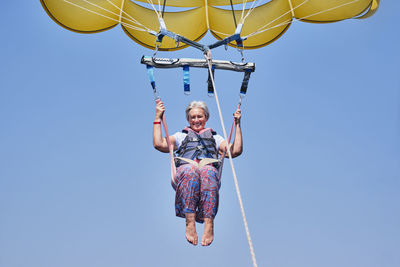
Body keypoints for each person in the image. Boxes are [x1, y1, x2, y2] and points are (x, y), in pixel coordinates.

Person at [153, 100, 243, 246]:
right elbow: (158, 144)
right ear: (188, 119)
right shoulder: (181, 136)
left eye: (199, 116)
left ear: (206, 117)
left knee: (207, 171)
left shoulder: (215, 138)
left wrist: (238, 124)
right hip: (186, 171)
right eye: (192, 117)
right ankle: (190, 222)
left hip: (208, 172)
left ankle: (209, 223)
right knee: (191, 170)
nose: (196, 120)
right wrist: (158, 117)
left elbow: (235, 150)